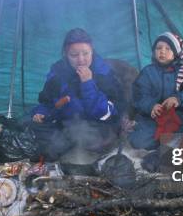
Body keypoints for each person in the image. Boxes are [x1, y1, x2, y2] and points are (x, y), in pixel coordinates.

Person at [30, 28, 123, 160]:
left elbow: (105, 114)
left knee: (92, 142)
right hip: (66, 127)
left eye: (86, 53)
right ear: (66, 55)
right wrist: (41, 113)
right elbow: (48, 102)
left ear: (92, 51)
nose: (81, 60)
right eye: (74, 55)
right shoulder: (58, 72)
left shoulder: (104, 73)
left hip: (98, 128)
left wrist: (88, 84)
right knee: (31, 128)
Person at [129, 32, 183, 150]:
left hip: (179, 117)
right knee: (138, 141)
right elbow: (139, 96)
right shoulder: (147, 72)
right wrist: (151, 106)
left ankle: (169, 144)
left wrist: (179, 99)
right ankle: (163, 143)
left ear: (175, 54)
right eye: (158, 48)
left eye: (168, 49)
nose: (162, 51)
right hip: (154, 119)